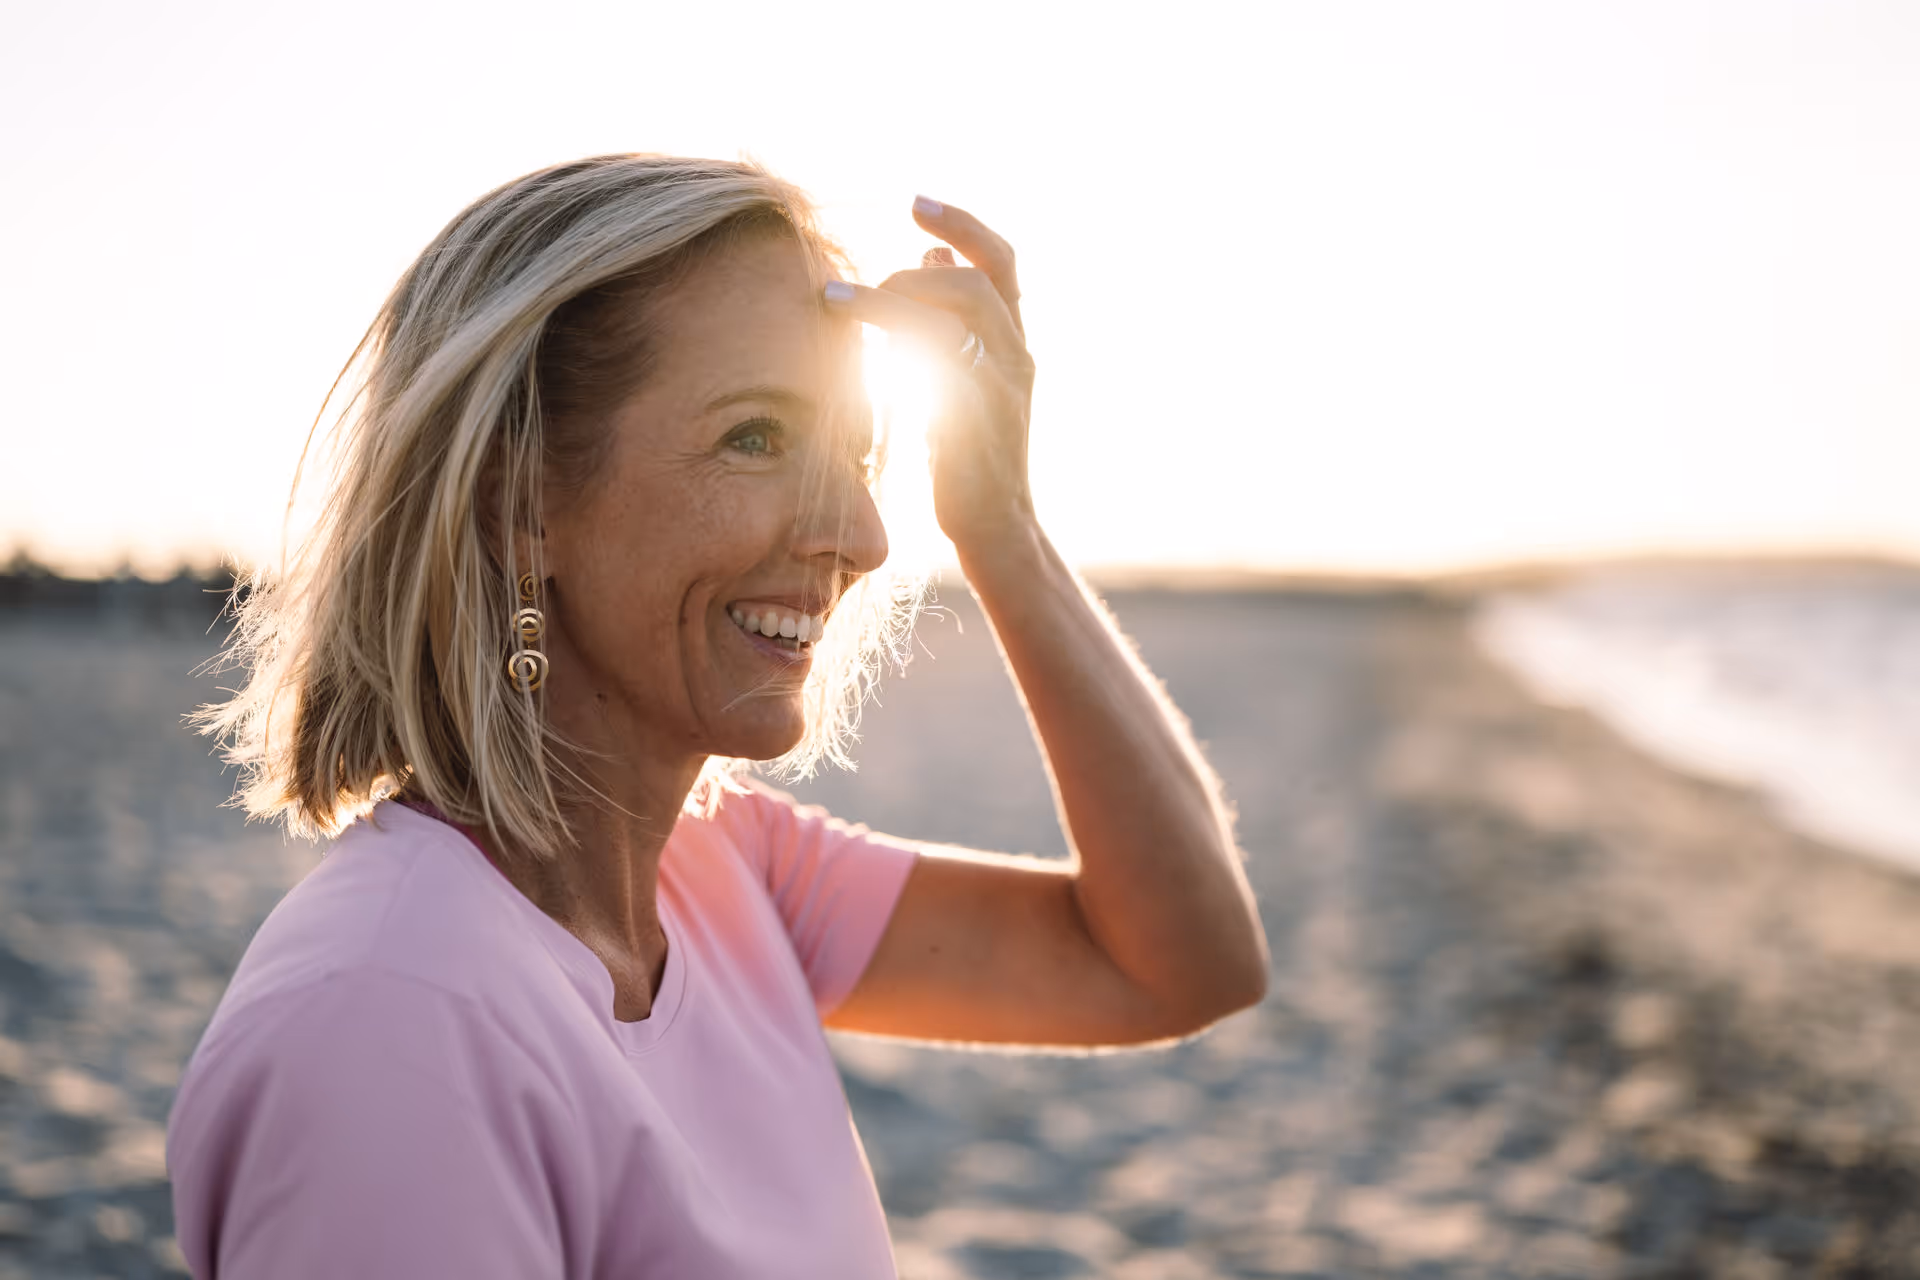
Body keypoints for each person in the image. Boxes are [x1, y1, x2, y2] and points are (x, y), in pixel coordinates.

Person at [164, 154, 1270, 1279]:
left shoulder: (723, 872)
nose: (861, 536)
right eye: (755, 436)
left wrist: (1005, 528)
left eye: (861, 452)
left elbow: (1179, 963)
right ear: (517, 501)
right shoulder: (388, 1027)